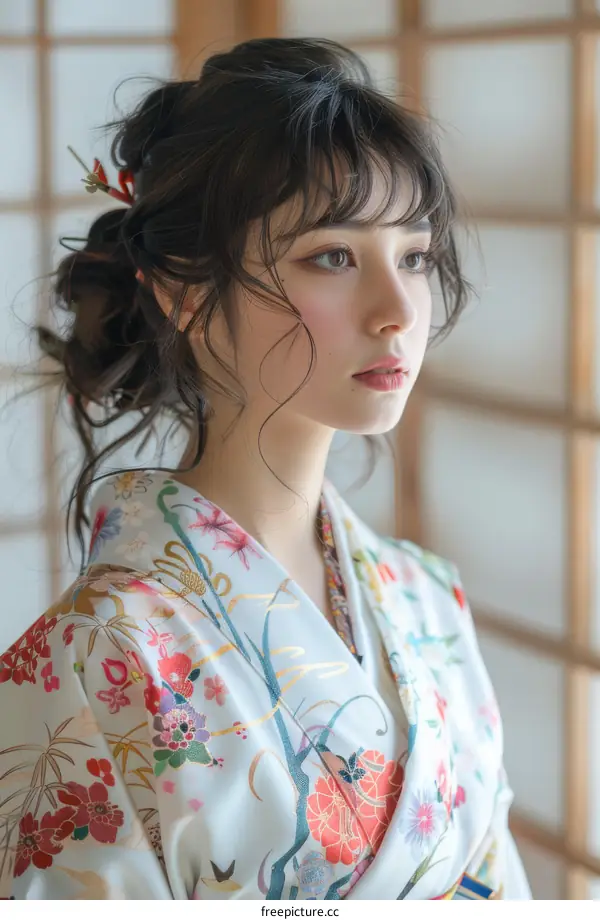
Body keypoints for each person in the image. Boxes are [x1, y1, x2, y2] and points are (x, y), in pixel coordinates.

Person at [0, 38, 531, 900]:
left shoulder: (428, 600)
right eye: (333, 255)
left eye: (415, 256)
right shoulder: (95, 652)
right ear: (187, 294)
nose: (398, 311)